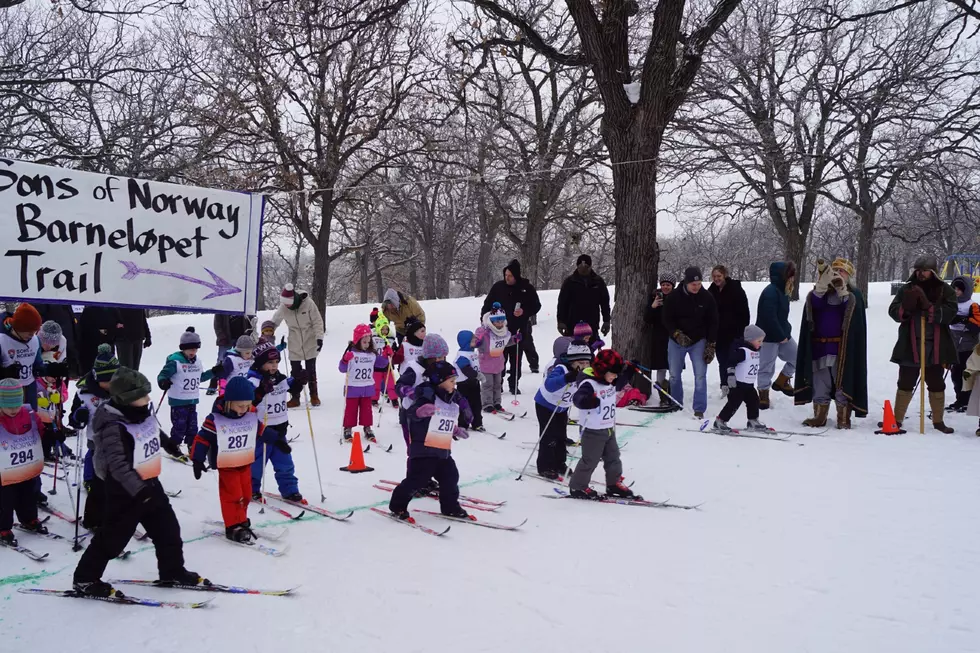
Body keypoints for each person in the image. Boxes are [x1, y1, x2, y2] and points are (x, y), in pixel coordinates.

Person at [72, 367, 200, 598]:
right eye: (142, 396)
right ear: (126, 399)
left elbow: (150, 428)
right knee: (112, 539)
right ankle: (85, 579)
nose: (148, 399)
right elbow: (118, 467)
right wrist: (139, 492)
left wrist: (167, 442)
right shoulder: (113, 427)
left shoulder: (139, 412)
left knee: (168, 531)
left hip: (149, 484)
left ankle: (172, 570)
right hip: (125, 493)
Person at [386, 361, 472, 521]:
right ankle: (397, 506)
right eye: (451, 381)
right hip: (423, 449)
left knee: (451, 477)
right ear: (439, 381)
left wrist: (455, 430)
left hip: (442, 448)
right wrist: (420, 412)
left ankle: (450, 507)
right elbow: (411, 413)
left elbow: (443, 419)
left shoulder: (449, 397)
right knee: (416, 480)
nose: (454, 384)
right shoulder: (427, 395)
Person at [794, 258, 869, 429]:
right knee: (821, 381)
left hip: (841, 348)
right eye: (834, 270)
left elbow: (851, 312)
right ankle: (820, 416)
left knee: (842, 380)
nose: (837, 274)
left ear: (848, 275)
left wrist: (842, 291)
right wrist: (821, 287)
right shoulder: (821, 293)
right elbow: (814, 306)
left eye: (841, 271)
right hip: (820, 345)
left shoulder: (853, 295)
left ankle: (843, 418)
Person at [887, 255, 958, 433]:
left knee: (936, 383)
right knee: (905, 382)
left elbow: (952, 312)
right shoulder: (907, 289)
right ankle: (896, 419)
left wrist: (931, 308)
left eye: (925, 270)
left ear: (933, 272)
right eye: (918, 270)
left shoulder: (944, 290)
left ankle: (938, 421)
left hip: (936, 346)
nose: (921, 273)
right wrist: (906, 308)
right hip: (910, 345)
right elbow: (893, 311)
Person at [191, 376, 261, 543]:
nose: (245, 409)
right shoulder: (216, 419)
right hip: (227, 464)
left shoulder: (249, 414)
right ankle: (232, 525)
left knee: (246, 493)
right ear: (230, 402)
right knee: (233, 495)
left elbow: (259, 429)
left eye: (247, 405)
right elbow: (202, 439)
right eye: (240, 405)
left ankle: (241, 518)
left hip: (244, 461)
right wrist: (197, 459)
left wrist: (277, 439)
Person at [568, 350, 639, 500]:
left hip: (607, 428)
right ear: (601, 371)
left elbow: (621, 380)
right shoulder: (589, 383)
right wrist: (589, 401)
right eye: (612, 373)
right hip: (592, 430)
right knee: (590, 460)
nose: (614, 377)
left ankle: (613, 484)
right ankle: (577, 486)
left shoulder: (610, 381)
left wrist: (631, 369)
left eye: (615, 374)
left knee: (613, 457)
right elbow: (578, 399)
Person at [247, 341, 305, 502]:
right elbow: (248, 402)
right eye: (270, 363)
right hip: (262, 432)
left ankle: (290, 490)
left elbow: (290, 386)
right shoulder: (253, 381)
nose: (274, 366)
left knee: (285, 464)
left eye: (276, 362)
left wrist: (299, 380)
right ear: (260, 363)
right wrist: (260, 391)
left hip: (280, 431)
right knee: (256, 465)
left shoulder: (279, 378)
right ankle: (251, 488)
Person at [70, 344, 118, 530]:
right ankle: (93, 518)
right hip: (96, 441)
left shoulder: (124, 389)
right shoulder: (84, 394)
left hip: (119, 443)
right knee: (99, 484)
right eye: (105, 380)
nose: (109, 384)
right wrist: (78, 417)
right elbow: (73, 420)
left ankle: (116, 512)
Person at [661, 267, 718, 419]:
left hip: (698, 340)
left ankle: (699, 408)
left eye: (699, 284)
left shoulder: (706, 297)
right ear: (686, 282)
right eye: (693, 284)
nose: (696, 287)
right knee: (674, 375)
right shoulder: (674, 297)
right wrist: (676, 333)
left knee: (700, 375)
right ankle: (675, 402)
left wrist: (711, 343)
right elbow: (666, 318)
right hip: (676, 341)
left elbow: (713, 321)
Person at [157, 328, 222, 456]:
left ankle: (192, 444)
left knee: (193, 426)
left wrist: (213, 372)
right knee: (179, 426)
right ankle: (173, 445)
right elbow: (162, 375)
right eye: (190, 349)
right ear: (183, 348)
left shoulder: (197, 362)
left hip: (192, 399)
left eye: (195, 349)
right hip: (178, 400)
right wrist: (163, 381)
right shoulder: (175, 361)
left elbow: (200, 377)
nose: (193, 352)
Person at [0, 379, 49, 547]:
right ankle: (3, 527)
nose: (13, 410)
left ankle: (29, 519)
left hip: (27, 467)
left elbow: (39, 431)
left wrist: (50, 436)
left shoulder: (29, 414)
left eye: (16, 405)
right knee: (5, 500)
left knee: (29, 494)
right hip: (4, 471)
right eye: (9, 406)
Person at [534, 338, 592, 479]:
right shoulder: (561, 368)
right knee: (549, 436)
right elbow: (550, 384)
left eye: (587, 362)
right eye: (581, 363)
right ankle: (545, 466)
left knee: (561, 435)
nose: (584, 366)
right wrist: (567, 378)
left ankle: (559, 463)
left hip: (562, 407)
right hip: (546, 404)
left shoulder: (585, 371)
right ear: (573, 361)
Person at [481, 259, 541, 390]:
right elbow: (487, 305)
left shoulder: (526, 288)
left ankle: (514, 384)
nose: (507, 278)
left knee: (516, 359)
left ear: (516, 276)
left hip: (518, 329)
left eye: (510, 276)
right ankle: (499, 383)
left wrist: (524, 311)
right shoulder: (498, 287)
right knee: (500, 358)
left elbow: (536, 305)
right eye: (505, 275)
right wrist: (484, 320)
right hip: (498, 330)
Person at [270, 284, 324, 408]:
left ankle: (314, 395)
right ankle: (295, 397)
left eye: (288, 304)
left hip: (309, 339)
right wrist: (267, 332)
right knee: (295, 371)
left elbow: (317, 321)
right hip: (294, 340)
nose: (286, 306)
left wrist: (319, 338)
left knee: (310, 370)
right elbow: (274, 321)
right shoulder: (284, 307)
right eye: (285, 304)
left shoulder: (308, 304)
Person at [711, 325, 769, 433]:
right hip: (738, 384)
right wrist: (730, 375)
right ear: (750, 340)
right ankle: (720, 421)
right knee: (734, 403)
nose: (761, 343)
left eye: (762, 341)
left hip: (749, 384)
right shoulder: (742, 351)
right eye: (759, 341)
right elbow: (730, 362)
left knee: (754, 401)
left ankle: (753, 420)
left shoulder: (755, 351)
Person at [755, 261, 797, 409]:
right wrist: (780, 335)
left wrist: (786, 331)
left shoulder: (783, 290)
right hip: (767, 337)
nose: (792, 279)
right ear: (782, 276)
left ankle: (782, 381)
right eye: (790, 275)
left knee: (797, 357)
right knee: (766, 366)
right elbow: (769, 317)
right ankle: (763, 394)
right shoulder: (770, 292)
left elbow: (781, 317)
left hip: (783, 334)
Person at [339, 324, 388, 442]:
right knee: (351, 409)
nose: (367, 344)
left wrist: (387, 354)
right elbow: (342, 368)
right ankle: (348, 428)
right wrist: (345, 360)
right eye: (364, 342)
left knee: (367, 410)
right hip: (353, 388)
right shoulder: (351, 353)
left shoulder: (372, 354)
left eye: (368, 342)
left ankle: (367, 428)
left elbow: (383, 364)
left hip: (367, 387)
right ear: (357, 341)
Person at [708, 265, 751, 396]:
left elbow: (744, 312)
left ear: (725, 275)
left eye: (719, 276)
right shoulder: (711, 291)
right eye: (714, 276)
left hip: (734, 332)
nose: (716, 279)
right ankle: (724, 386)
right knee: (722, 361)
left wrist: (741, 331)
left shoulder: (736, 289)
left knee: (734, 361)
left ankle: (737, 387)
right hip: (718, 333)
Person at [556, 254, 611, 343]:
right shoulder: (569, 282)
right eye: (580, 266)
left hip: (592, 324)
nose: (583, 268)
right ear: (577, 266)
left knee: (590, 352)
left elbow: (605, 303)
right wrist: (561, 321)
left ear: (590, 267)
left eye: (586, 266)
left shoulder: (598, 282)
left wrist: (606, 321)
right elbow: (562, 303)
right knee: (573, 353)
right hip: (572, 325)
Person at [643, 272, 678, 407]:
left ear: (672, 286)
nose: (665, 287)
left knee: (674, 369)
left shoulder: (677, 298)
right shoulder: (654, 297)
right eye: (663, 284)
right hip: (659, 338)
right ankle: (662, 398)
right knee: (661, 367)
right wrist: (653, 306)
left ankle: (673, 396)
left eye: (668, 285)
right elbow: (647, 319)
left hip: (674, 337)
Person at [0, 303, 44, 409]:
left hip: (29, 389)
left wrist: (50, 369)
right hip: (7, 392)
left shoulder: (35, 340)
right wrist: (5, 372)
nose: (32, 335)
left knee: (31, 421)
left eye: (34, 331)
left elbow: (37, 365)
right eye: (29, 332)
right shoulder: (2, 339)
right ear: (18, 328)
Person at [476, 304, 517, 412]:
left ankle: (497, 402)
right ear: (491, 322)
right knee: (487, 385)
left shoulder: (503, 331)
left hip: (498, 364)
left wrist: (514, 339)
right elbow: (477, 342)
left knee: (497, 385)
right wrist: (479, 340)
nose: (499, 324)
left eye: (501, 321)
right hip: (486, 364)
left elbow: (505, 342)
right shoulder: (486, 333)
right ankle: (487, 403)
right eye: (497, 322)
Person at [947, 276, 980, 412]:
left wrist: (967, 320)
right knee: (955, 373)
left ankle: (967, 400)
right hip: (953, 341)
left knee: (965, 373)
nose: (956, 291)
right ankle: (959, 398)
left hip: (968, 344)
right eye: (954, 289)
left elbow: (977, 325)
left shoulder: (972, 305)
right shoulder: (950, 303)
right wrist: (952, 319)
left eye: (959, 289)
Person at [208, 313, 255, 395]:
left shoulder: (242, 304)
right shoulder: (224, 307)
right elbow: (217, 324)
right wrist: (221, 336)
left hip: (242, 340)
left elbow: (250, 320)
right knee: (222, 362)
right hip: (226, 339)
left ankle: (244, 382)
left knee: (245, 361)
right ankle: (213, 385)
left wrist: (249, 334)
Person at [35, 302, 80, 378]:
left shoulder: (62, 340)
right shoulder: (33, 340)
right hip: (46, 335)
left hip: (63, 338)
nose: (49, 347)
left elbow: (62, 361)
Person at [77, 306, 124, 374]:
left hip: (108, 348)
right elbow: (85, 329)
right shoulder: (89, 310)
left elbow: (120, 327)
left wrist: (107, 332)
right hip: (91, 349)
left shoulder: (112, 309)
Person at [453, 330, 484, 432]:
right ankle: (463, 424)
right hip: (464, 385)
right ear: (466, 342)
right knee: (465, 405)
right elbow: (466, 369)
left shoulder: (471, 352)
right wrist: (477, 375)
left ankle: (477, 423)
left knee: (477, 404)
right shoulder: (462, 355)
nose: (475, 340)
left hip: (474, 383)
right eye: (473, 339)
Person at [372, 316, 398, 407]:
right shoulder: (374, 338)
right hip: (376, 366)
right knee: (376, 385)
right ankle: (374, 399)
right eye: (382, 329)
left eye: (386, 329)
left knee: (391, 384)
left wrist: (391, 352)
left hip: (387, 366)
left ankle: (394, 399)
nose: (385, 331)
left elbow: (394, 351)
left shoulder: (390, 340)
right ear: (379, 329)